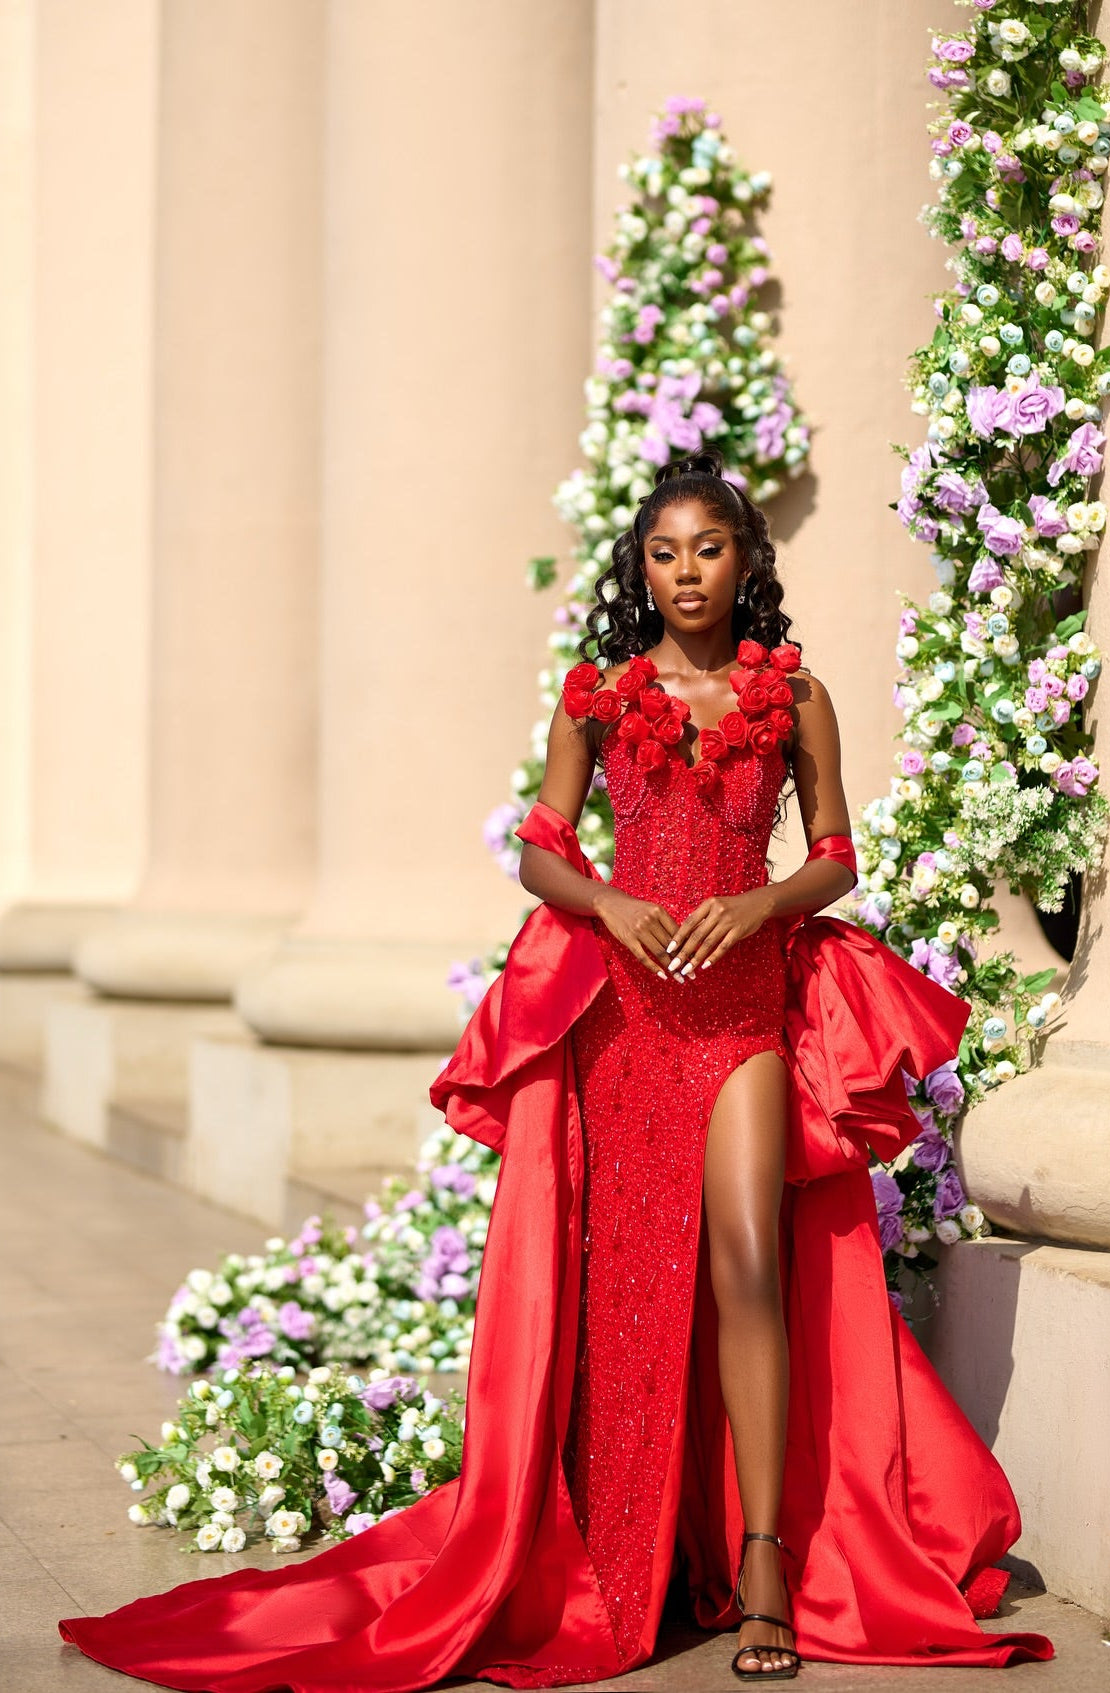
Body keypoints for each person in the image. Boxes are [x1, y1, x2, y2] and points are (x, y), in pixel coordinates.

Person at [59, 450, 1054, 1689]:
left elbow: (838, 853)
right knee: (628, 1295)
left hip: (741, 1013)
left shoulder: (795, 695)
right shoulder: (598, 695)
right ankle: (621, 1546)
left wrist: (759, 905)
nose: (686, 571)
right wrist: (608, 901)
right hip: (626, 1024)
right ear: (640, 568)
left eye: (709, 547)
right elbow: (539, 846)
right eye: (663, 552)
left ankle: (759, 1564)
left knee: (747, 1252)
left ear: (747, 561)